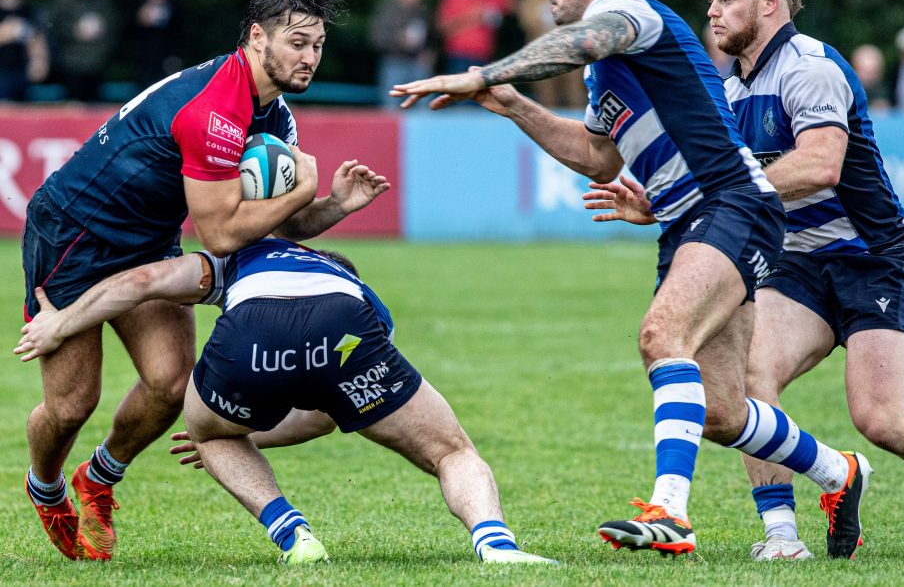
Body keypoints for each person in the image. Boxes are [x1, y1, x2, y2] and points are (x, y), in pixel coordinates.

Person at [392, 0, 869, 559]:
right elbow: (598, 157)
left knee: (660, 336)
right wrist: (511, 104)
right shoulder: (605, 67)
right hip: (692, 222)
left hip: (729, 202)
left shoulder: (628, 11)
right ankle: (840, 472)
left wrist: (483, 73)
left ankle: (670, 513)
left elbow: (587, 39)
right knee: (722, 411)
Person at [585, 0, 904, 560]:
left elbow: (820, 164)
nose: (713, 11)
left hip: (872, 256)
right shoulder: (725, 89)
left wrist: (730, 188)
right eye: (710, 0)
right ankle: (781, 535)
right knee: (750, 380)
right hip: (795, 263)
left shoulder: (810, 66)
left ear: (769, 3)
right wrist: (660, 201)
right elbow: (711, 179)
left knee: (880, 419)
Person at [20, 0, 381, 562]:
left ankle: (99, 479)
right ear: (257, 37)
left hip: (149, 237)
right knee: (71, 405)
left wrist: (333, 205)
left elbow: (276, 221)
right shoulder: (215, 107)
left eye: (317, 45)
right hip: (74, 232)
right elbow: (218, 235)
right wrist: (303, 189)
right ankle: (45, 484)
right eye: (297, 43)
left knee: (169, 385)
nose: (310, 57)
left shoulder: (275, 116)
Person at [15, 238, 556, 566]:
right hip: (346, 326)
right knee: (451, 451)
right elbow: (326, 415)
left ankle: (293, 534)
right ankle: (496, 545)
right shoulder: (363, 295)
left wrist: (62, 322)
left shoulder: (239, 256)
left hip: (253, 330)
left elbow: (143, 281)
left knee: (211, 434)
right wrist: (257, 435)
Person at [516, 0, 587, 107]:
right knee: (546, 101)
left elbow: (582, 17)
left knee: (575, 97)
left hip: (572, 53)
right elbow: (526, 21)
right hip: (542, 56)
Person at [46, 0, 117, 102]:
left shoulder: (105, 0)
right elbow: (52, 28)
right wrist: (73, 31)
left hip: (96, 68)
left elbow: (112, 32)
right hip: (69, 68)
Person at [435, 0, 517, 73]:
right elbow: (441, 28)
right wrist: (472, 17)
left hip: (484, 57)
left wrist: (498, 15)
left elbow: (518, 6)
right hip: (458, 56)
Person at [369, 0, 436, 108]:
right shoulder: (387, 11)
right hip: (394, 64)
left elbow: (433, 38)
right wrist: (398, 40)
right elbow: (376, 39)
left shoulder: (424, 11)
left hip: (419, 66)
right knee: (391, 110)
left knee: (423, 110)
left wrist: (430, 53)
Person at [128, 0, 185, 88]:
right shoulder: (133, 4)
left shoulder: (177, 4)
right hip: (141, 72)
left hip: (169, 70)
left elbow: (184, 36)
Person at [0, 0, 49, 100]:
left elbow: (37, 39)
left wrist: (40, 60)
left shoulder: (31, 11)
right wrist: (7, 32)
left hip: (22, 73)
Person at [849, 43, 890, 111]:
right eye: (863, 71)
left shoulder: (883, 91)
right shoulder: (847, 91)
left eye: (873, 72)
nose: (868, 77)